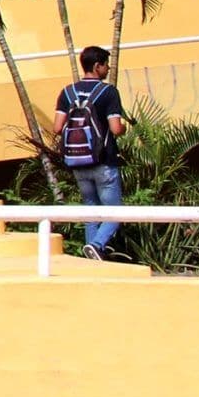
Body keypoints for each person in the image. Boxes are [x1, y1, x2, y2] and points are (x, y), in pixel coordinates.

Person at [52, 46, 128, 259]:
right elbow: (115, 128)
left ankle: (91, 255)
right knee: (115, 212)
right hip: (103, 161)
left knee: (91, 209)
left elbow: (57, 127)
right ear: (97, 66)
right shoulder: (108, 92)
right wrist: (123, 129)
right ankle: (97, 243)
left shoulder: (67, 92)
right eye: (106, 64)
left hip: (78, 161)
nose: (108, 68)